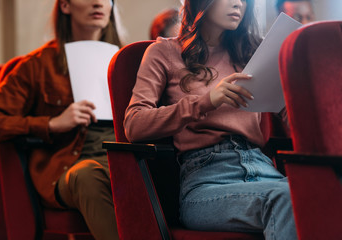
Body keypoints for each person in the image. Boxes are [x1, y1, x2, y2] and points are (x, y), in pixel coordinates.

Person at [124, 0, 296, 239]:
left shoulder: (253, 52)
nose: (238, 4)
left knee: (320, 192)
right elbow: (134, 124)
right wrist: (206, 101)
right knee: (289, 198)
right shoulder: (164, 52)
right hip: (207, 181)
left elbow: (295, 119)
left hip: (264, 168)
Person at [0, 0, 121, 239]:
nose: (98, 2)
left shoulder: (129, 61)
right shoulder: (37, 66)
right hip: (71, 166)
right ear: (65, 6)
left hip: (123, 158)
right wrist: (50, 124)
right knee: (88, 175)